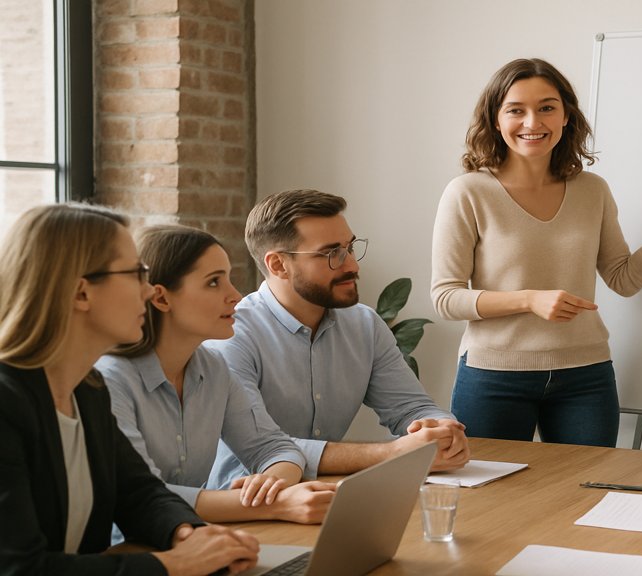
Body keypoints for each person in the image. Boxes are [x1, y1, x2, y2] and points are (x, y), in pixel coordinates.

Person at [430, 57, 642, 447]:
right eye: (516, 110)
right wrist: (529, 300)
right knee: (490, 502)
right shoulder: (468, 192)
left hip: (585, 376)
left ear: (565, 116)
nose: (532, 123)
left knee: (589, 498)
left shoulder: (592, 190)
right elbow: (445, 298)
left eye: (546, 108)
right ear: (495, 119)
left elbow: (623, 279)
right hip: (494, 377)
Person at [0, 204, 259, 575]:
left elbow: (140, 492)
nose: (147, 291)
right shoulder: (7, 405)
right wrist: (170, 565)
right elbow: (20, 569)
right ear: (81, 293)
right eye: (136, 273)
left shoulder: (87, 391)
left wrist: (190, 535)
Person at [206, 189, 469, 488]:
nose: (352, 266)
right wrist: (393, 452)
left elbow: (411, 408)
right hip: (243, 505)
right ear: (278, 265)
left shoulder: (364, 324)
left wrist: (440, 429)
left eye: (350, 248)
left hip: (328, 492)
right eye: (331, 254)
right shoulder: (230, 335)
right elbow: (262, 447)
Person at [95, 225, 337, 526]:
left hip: (196, 538)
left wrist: (272, 483)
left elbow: (275, 448)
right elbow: (144, 495)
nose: (235, 296)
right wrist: (272, 506)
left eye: (228, 279)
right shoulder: (107, 381)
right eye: (213, 283)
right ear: (161, 299)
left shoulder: (214, 368)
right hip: (125, 554)